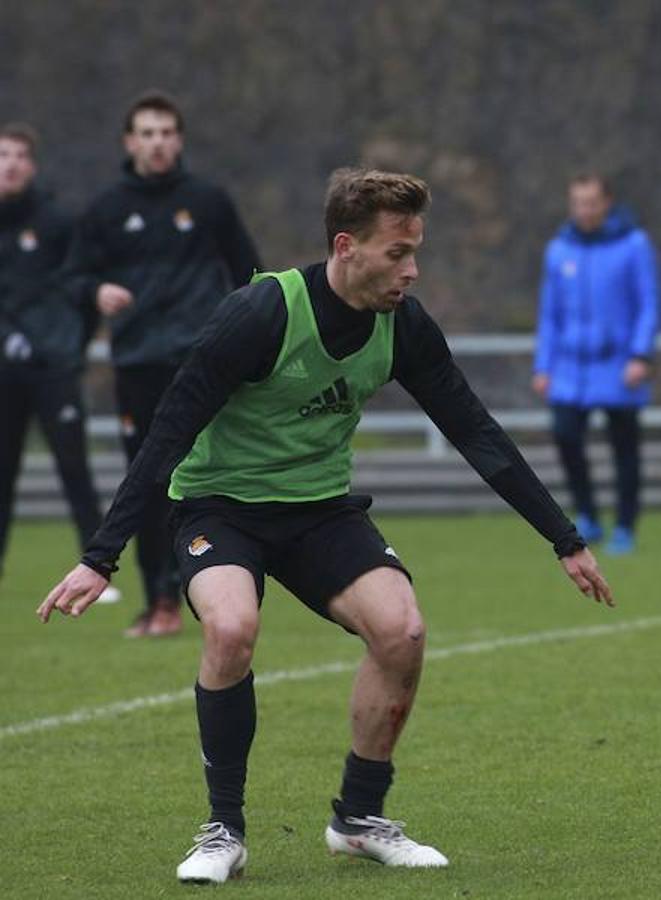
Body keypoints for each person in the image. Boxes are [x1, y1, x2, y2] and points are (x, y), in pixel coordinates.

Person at [38, 168, 613, 884]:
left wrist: (564, 538)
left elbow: (475, 430)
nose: (412, 269)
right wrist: (102, 556)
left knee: (402, 631)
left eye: (415, 250)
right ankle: (224, 832)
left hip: (319, 510)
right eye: (397, 252)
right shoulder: (260, 314)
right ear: (346, 246)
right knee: (230, 628)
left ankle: (359, 820)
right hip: (220, 504)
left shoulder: (402, 323)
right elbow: (167, 434)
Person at [64, 90, 261, 637]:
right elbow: (74, 276)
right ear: (131, 142)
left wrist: (243, 333)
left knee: (204, 480)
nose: (157, 142)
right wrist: (97, 290)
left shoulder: (208, 201)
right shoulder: (106, 208)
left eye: (167, 132)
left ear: (179, 139)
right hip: (138, 361)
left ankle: (214, 590)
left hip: (202, 363)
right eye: (147, 133)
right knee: (147, 480)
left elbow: (251, 274)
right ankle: (159, 597)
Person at [0, 122, 111, 598]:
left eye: (20, 156)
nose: (11, 164)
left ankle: (96, 568)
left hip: (53, 369)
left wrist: (69, 346)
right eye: (3, 155)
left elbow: (83, 290)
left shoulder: (57, 223)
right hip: (5, 372)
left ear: (33, 165)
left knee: (74, 468)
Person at [532, 173, 661, 554]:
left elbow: (648, 304)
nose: (584, 210)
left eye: (590, 202)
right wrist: (544, 365)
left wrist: (641, 354)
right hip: (571, 368)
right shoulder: (559, 250)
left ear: (606, 203)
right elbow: (549, 314)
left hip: (619, 363)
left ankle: (624, 524)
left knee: (624, 447)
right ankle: (587, 513)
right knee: (565, 433)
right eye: (577, 203)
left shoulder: (634, 245)